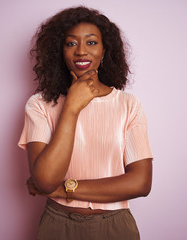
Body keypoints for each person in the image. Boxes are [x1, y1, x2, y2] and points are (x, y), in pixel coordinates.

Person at [18, 6, 153, 240]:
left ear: (104, 50)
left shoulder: (128, 105)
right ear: (59, 51)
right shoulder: (39, 104)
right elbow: (45, 178)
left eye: (91, 43)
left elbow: (140, 183)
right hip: (57, 225)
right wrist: (71, 106)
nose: (81, 51)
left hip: (115, 226)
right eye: (71, 43)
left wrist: (61, 189)